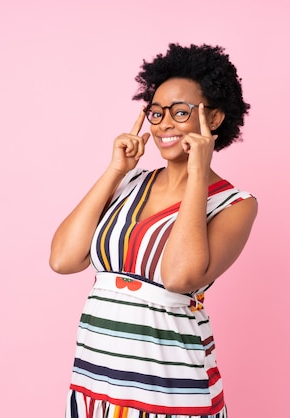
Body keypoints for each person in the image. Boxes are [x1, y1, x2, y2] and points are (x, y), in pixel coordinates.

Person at [49, 43, 257, 418]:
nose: (163, 124)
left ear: (214, 119)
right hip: (96, 388)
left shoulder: (235, 204)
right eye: (156, 113)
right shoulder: (130, 183)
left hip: (172, 396)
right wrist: (116, 169)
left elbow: (179, 277)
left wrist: (197, 172)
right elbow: (63, 260)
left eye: (180, 112)